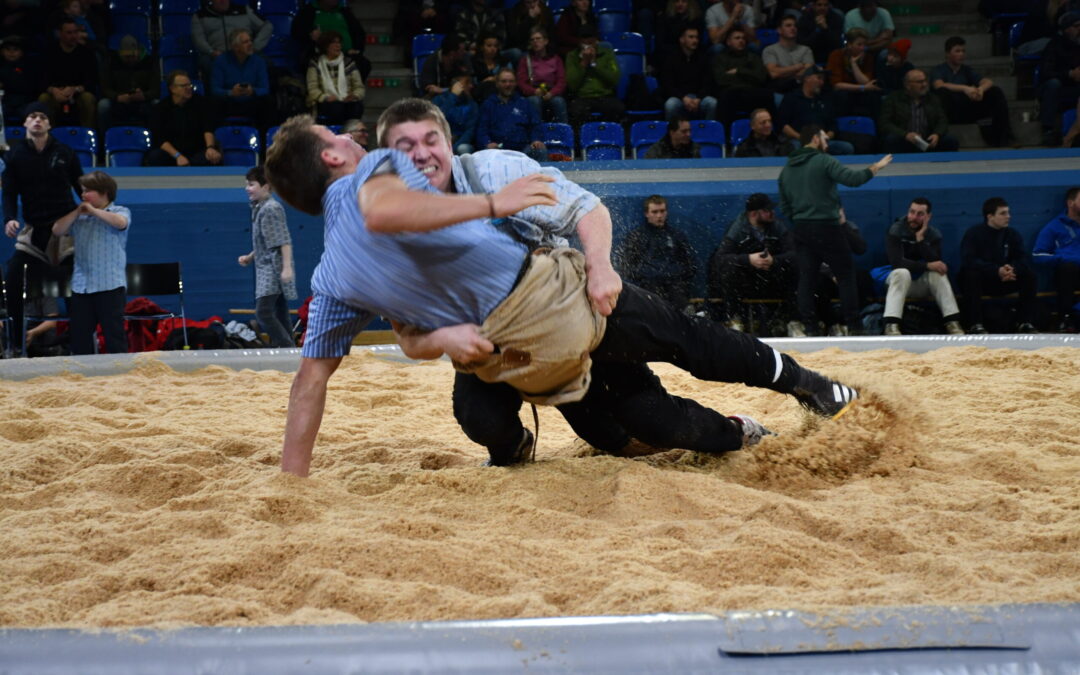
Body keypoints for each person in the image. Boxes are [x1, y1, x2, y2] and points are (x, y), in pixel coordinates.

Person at [263, 103, 860, 475]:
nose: (417, 156)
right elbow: (362, 352)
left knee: (684, 353)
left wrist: (600, 265)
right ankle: (728, 433)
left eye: (429, 142)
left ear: (449, 141)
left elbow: (587, 208)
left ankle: (806, 386)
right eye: (399, 149)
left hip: (571, 299)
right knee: (508, 423)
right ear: (340, 157)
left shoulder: (490, 167)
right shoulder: (363, 223)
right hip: (510, 352)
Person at [778, 124, 892, 336]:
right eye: (825, 139)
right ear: (814, 139)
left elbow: (784, 206)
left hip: (801, 229)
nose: (827, 143)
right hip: (827, 227)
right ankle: (854, 327)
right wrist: (876, 167)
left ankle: (810, 327)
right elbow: (852, 179)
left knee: (807, 279)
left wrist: (800, 218)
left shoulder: (787, 169)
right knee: (846, 275)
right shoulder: (823, 161)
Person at [2, 102, 83, 355]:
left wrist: (93, 211)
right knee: (14, 274)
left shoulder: (65, 151)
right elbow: (9, 192)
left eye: (43, 116)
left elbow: (81, 187)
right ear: (25, 123)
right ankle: (16, 342)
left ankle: (78, 342)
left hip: (65, 230)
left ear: (49, 124)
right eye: (32, 116)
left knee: (75, 285)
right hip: (34, 230)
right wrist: (10, 218)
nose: (37, 120)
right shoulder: (14, 155)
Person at [50, 171, 130, 355]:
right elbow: (57, 230)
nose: (83, 195)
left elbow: (120, 223)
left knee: (114, 335)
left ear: (104, 193)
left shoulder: (119, 211)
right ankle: (83, 375)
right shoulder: (79, 216)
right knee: (80, 336)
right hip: (82, 287)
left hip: (110, 286)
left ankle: (121, 375)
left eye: (88, 191)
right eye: (82, 191)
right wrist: (77, 211)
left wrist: (93, 211)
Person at [708, 192, 802, 336]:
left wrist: (775, 261)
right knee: (729, 270)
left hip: (772, 279)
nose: (772, 213)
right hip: (747, 282)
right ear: (753, 214)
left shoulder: (777, 226)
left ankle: (793, 321)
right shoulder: (737, 229)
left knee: (795, 269)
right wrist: (748, 260)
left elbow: (795, 255)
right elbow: (720, 259)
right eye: (767, 210)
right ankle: (735, 319)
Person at [881, 197, 965, 336]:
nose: (914, 217)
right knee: (902, 272)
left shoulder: (933, 234)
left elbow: (936, 263)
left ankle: (953, 323)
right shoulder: (895, 229)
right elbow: (896, 262)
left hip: (922, 285)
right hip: (898, 284)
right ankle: (891, 325)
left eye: (920, 214)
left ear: (928, 216)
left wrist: (920, 240)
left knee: (938, 274)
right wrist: (926, 265)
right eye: (912, 212)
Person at [959, 197, 1037, 334]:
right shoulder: (974, 234)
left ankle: (1024, 322)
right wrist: (996, 270)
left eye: (1008, 213)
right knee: (970, 275)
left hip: (1007, 279)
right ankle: (975, 324)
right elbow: (969, 260)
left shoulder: (1012, 234)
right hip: (984, 281)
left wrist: (1012, 269)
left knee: (1030, 276)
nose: (1008, 217)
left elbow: (1022, 258)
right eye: (1003, 213)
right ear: (990, 216)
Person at [238, 166, 296, 348]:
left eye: (251, 184)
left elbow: (283, 240)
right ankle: (292, 351)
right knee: (280, 312)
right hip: (265, 267)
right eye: (246, 185)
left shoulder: (271, 208)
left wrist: (286, 267)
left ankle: (286, 347)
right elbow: (266, 241)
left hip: (273, 268)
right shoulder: (260, 208)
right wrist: (250, 257)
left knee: (263, 312)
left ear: (266, 186)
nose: (247, 188)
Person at [616, 195, 697, 311]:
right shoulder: (637, 237)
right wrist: (649, 274)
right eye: (654, 212)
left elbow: (690, 264)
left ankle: (687, 316)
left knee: (677, 294)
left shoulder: (676, 236)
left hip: (674, 282)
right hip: (648, 283)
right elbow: (626, 266)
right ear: (646, 214)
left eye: (662, 211)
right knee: (653, 296)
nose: (659, 216)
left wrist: (674, 273)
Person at [931, 36, 1013, 148]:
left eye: (963, 51)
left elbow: (987, 81)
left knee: (995, 91)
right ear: (948, 54)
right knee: (942, 93)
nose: (961, 54)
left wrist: (980, 90)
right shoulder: (939, 69)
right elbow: (939, 85)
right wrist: (965, 88)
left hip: (966, 109)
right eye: (957, 51)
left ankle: (1005, 136)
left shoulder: (966, 70)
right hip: (949, 110)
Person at [145, 70, 223, 167]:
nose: (188, 88)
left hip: (196, 151)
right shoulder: (161, 108)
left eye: (189, 85)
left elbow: (208, 128)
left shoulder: (201, 103)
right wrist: (178, 156)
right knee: (155, 157)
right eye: (183, 86)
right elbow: (160, 138)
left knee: (212, 157)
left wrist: (210, 147)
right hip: (172, 153)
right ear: (172, 88)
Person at [1032, 186, 1080, 332]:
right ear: (1071, 203)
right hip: (1069, 271)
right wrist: (1064, 258)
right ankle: (1064, 318)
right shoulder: (1054, 227)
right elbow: (1037, 255)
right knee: (1067, 269)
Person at [777, 65, 855, 155]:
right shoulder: (792, 98)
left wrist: (825, 138)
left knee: (847, 148)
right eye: (819, 78)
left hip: (822, 141)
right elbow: (783, 125)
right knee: (794, 148)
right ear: (807, 78)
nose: (821, 82)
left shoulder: (825, 99)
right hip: (799, 140)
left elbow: (833, 126)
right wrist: (801, 138)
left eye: (823, 79)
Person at [879, 69, 960, 154]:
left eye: (925, 81)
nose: (924, 84)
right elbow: (884, 123)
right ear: (908, 85)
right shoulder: (893, 99)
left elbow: (942, 120)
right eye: (920, 82)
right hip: (904, 139)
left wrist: (937, 134)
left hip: (928, 139)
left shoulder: (933, 98)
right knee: (891, 140)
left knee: (951, 141)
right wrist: (905, 135)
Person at [477, 68, 547, 162]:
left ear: (515, 83)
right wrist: (488, 143)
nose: (508, 85)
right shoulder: (488, 105)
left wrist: (536, 139)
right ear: (497, 84)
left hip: (523, 152)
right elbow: (481, 130)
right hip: (499, 152)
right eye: (504, 81)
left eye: (511, 81)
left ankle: (540, 177)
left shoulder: (524, 103)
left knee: (540, 150)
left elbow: (535, 125)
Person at [192, 0, 272, 82]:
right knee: (206, 63)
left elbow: (267, 26)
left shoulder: (244, 10)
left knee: (265, 62)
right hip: (217, 55)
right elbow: (198, 39)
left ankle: (262, 93)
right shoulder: (200, 16)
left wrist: (254, 47)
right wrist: (211, 52)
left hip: (245, 52)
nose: (223, 1)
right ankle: (216, 93)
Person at [291, 0, 370, 81]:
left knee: (363, 64)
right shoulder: (308, 11)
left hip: (345, 55)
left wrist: (356, 49)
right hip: (318, 55)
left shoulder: (344, 12)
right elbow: (296, 32)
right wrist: (310, 33)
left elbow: (359, 33)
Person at [40, 18, 98, 128]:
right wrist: (54, 90)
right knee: (44, 98)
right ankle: (47, 137)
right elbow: (41, 79)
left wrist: (75, 89)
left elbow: (91, 81)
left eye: (76, 32)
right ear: (60, 34)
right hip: (56, 94)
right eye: (69, 33)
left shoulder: (86, 53)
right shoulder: (49, 52)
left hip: (78, 94)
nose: (73, 36)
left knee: (88, 98)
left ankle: (87, 136)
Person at [710, 27, 773, 126]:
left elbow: (761, 77)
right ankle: (725, 136)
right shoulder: (720, 58)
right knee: (725, 96)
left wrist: (738, 71)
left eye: (743, 38)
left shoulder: (753, 57)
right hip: (731, 92)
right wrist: (748, 76)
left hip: (751, 92)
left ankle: (772, 132)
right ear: (728, 42)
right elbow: (720, 79)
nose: (741, 41)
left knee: (767, 95)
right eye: (737, 38)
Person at [210, 28, 270, 127]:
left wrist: (252, 91)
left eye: (250, 40)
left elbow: (265, 88)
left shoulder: (259, 61)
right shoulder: (221, 61)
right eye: (245, 42)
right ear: (236, 47)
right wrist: (231, 93)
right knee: (214, 102)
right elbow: (215, 89)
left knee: (268, 101)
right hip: (229, 102)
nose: (250, 44)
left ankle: (264, 139)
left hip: (251, 101)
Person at [565, 25, 624, 127]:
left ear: (597, 41)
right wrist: (583, 64)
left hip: (605, 96)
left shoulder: (607, 53)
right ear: (579, 42)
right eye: (584, 42)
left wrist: (594, 64)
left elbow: (614, 79)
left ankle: (611, 138)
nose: (587, 45)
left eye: (590, 42)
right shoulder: (572, 56)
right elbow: (572, 85)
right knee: (576, 111)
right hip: (582, 97)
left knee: (617, 109)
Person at [305, 30, 366, 126]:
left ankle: (351, 133)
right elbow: (312, 89)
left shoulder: (348, 63)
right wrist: (326, 97)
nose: (338, 45)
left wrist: (354, 95)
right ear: (325, 46)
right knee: (336, 108)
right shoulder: (315, 63)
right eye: (334, 43)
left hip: (346, 100)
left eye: (339, 42)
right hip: (325, 101)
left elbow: (359, 87)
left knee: (356, 107)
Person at [1037, 11, 1080, 146]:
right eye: (1077, 26)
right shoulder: (1054, 45)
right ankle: (1048, 130)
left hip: (1077, 86)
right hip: (1060, 85)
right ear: (1067, 29)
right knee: (1053, 85)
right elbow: (1046, 72)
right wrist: (1069, 74)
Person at [97, 34, 158, 130]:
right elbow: (105, 88)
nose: (130, 59)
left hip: (142, 100)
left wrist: (144, 95)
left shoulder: (149, 62)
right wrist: (117, 97)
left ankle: (155, 138)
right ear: (121, 54)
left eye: (133, 56)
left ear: (138, 52)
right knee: (103, 105)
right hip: (118, 99)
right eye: (127, 57)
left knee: (156, 104)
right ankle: (103, 138)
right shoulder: (111, 62)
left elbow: (155, 90)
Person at [658, 25, 717, 121]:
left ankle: (707, 133)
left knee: (712, 103)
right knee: (670, 104)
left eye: (697, 37)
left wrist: (698, 98)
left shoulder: (703, 58)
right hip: (679, 98)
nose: (695, 40)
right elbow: (668, 84)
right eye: (691, 37)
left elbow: (708, 83)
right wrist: (683, 98)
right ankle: (673, 133)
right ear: (682, 40)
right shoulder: (671, 58)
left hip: (699, 98)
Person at [516, 28, 569, 124]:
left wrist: (552, 93)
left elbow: (561, 81)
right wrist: (534, 91)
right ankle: (536, 133)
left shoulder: (556, 59)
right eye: (532, 40)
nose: (535, 42)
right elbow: (521, 82)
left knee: (559, 102)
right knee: (534, 101)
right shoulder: (525, 60)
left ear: (546, 41)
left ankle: (564, 132)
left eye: (538, 38)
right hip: (534, 92)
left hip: (552, 92)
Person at [827, 27, 882, 119]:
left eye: (864, 44)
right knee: (842, 96)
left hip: (860, 92)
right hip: (844, 92)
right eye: (859, 44)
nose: (862, 48)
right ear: (849, 44)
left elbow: (866, 82)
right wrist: (862, 88)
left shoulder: (868, 57)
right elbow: (837, 85)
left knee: (873, 96)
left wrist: (854, 64)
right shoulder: (836, 55)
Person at [763, 15, 815, 96]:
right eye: (788, 25)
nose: (793, 28)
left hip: (802, 89)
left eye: (795, 26)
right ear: (779, 30)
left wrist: (782, 71)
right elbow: (773, 73)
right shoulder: (770, 50)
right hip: (780, 89)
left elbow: (809, 72)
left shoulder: (806, 50)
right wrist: (797, 67)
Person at [432, 74, 480, 154]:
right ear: (456, 85)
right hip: (441, 140)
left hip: (461, 143)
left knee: (463, 148)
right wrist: (453, 97)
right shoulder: (439, 100)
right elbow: (436, 121)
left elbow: (470, 131)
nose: (471, 86)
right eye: (467, 83)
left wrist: (453, 149)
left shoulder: (472, 104)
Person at [0, 36, 42, 126]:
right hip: (4, 102)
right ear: (2, 51)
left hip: (24, 102)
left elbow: (30, 87)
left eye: (15, 49)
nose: (11, 52)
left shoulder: (29, 67)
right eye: (8, 49)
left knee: (34, 111)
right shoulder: (1, 66)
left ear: (21, 52)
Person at [418, 32, 472, 98]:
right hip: (437, 99)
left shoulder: (464, 58)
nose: (464, 52)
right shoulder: (431, 61)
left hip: (458, 97)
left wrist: (442, 90)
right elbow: (428, 88)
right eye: (462, 51)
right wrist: (451, 90)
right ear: (452, 54)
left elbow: (466, 84)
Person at [654, 0, 706, 66]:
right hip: (669, 54)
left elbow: (698, 42)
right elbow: (660, 44)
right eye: (677, 1)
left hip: (691, 54)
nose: (680, 4)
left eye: (684, 1)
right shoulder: (664, 19)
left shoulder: (697, 20)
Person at [797, 0, 843, 64]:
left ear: (829, 6)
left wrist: (825, 29)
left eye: (825, 5)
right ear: (813, 6)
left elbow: (837, 44)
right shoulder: (804, 19)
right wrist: (818, 30)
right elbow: (803, 44)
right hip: (810, 57)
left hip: (830, 56)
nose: (822, 8)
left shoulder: (836, 18)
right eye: (819, 5)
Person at [472, 33, 509, 103]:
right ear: (482, 47)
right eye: (489, 46)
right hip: (480, 93)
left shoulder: (504, 61)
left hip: (502, 92)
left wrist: (497, 79)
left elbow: (511, 78)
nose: (493, 49)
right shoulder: (474, 62)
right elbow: (472, 84)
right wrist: (485, 82)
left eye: (495, 46)